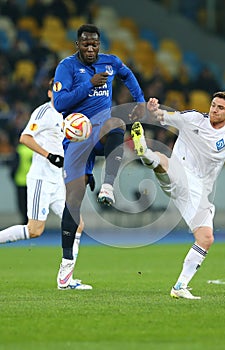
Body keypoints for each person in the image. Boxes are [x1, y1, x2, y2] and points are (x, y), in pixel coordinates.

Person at [131, 92, 225, 299]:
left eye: (220, 108)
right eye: (213, 105)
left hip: (199, 192)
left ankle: (180, 286)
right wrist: (153, 110)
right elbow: (162, 117)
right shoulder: (193, 118)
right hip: (179, 174)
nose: (214, 110)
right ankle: (144, 151)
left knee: (206, 239)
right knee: (162, 161)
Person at [53, 24, 145, 289]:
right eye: (86, 44)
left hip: (101, 131)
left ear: (99, 44)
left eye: (94, 44)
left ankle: (108, 186)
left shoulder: (110, 62)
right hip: (77, 138)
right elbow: (60, 103)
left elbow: (128, 75)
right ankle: (66, 268)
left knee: (116, 123)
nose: (91, 49)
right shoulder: (66, 68)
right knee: (73, 201)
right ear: (77, 44)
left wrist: (139, 101)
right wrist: (89, 85)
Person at [0, 78, 92, 290]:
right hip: (41, 178)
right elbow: (25, 137)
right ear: (50, 93)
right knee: (34, 230)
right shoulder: (43, 112)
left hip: (58, 180)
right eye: (56, 90)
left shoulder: (69, 115)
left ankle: (66, 280)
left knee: (77, 224)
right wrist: (49, 155)